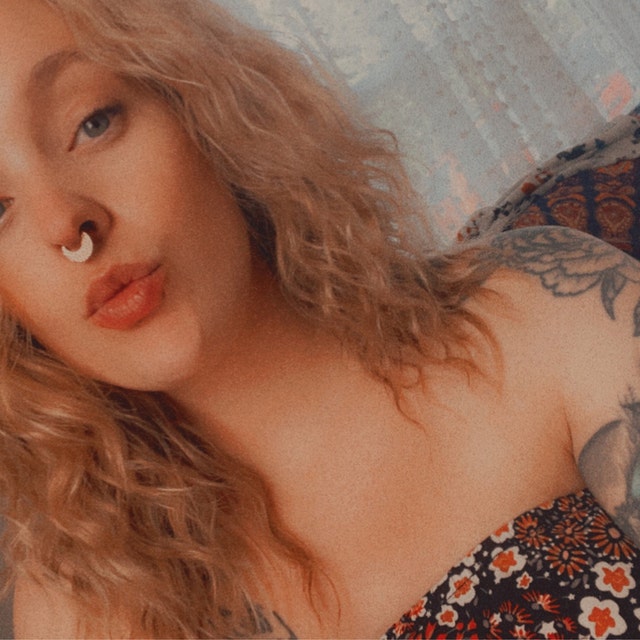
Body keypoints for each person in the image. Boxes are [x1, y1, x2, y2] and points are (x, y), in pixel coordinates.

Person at [1, 0, 640, 637]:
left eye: (93, 121)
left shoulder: (545, 308)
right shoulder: (78, 607)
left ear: (200, 103)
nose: (67, 224)